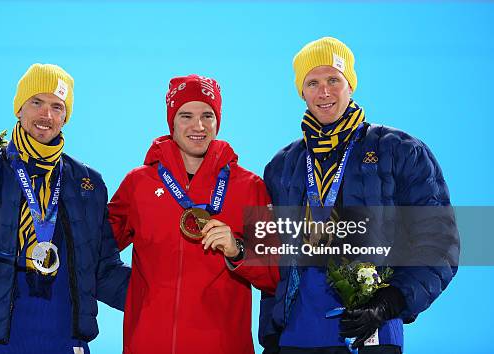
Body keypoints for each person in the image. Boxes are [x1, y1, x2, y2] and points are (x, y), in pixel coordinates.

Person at [261, 37, 460, 353]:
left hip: (371, 333)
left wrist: (390, 301)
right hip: (298, 335)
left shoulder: (400, 151)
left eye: (333, 80)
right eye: (312, 82)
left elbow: (439, 242)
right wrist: (271, 335)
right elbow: (271, 255)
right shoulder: (282, 166)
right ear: (301, 92)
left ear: (350, 85)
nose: (324, 91)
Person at [0, 63, 130, 353]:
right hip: (0, 340)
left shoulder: (87, 183)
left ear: (65, 117)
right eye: (36, 103)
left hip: (67, 339)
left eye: (57, 107)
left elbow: (103, 270)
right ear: (19, 109)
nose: (46, 115)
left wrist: (164, 296)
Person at [108, 74, 280, 354]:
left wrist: (238, 251)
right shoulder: (138, 184)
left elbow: (275, 276)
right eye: (186, 115)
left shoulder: (250, 186)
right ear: (172, 121)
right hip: (148, 345)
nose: (198, 126)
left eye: (207, 116)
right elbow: (92, 250)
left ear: (218, 121)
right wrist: (134, 297)